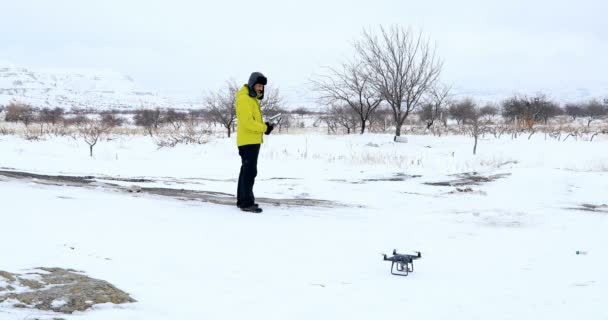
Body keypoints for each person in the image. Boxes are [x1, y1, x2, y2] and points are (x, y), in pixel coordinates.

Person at [235, 72, 274, 213]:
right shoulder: (244, 99)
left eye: (262, 86)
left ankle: (242, 201)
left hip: (251, 140)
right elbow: (247, 123)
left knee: (246, 171)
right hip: (248, 142)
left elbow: (253, 122)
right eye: (258, 85)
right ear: (252, 84)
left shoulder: (252, 99)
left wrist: (266, 126)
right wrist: (264, 128)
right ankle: (246, 203)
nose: (260, 89)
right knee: (250, 172)